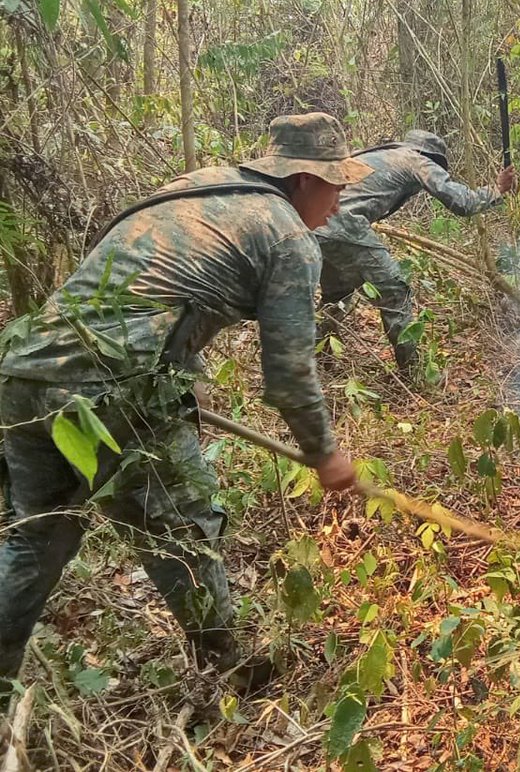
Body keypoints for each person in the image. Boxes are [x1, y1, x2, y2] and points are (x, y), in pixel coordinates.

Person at [0, 112, 370, 709]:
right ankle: (229, 668)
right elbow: (289, 374)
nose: (340, 198)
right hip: (115, 389)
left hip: (28, 366)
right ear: (303, 178)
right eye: (335, 183)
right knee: (181, 523)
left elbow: (143, 288)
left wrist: (181, 374)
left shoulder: (202, 186)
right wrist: (325, 453)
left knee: (35, 539)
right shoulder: (288, 237)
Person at [315, 130, 515, 369]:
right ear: (434, 158)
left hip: (314, 221)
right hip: (343, 224)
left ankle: (316, 358)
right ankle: (413, 371)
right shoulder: (417, 160)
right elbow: (463, 203)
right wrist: (497, 190)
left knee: (337, 294)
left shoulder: (381, 154)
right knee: (395, 292)